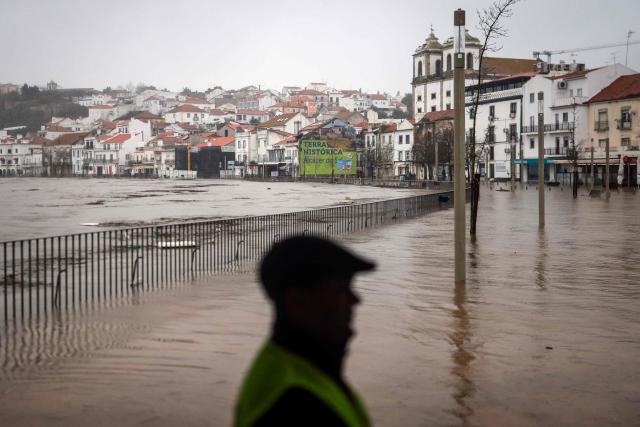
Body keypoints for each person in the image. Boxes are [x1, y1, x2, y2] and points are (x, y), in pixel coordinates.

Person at [234, 235, 375, 427]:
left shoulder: (302, 369)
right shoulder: (297, 403)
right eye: (341, 290)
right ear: (297, 302)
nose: (355, 299)